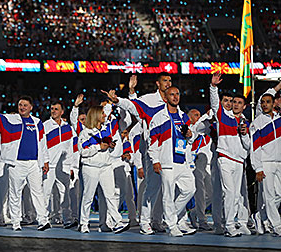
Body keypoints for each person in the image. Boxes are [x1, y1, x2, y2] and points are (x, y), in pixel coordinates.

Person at [104, 73, 171, 235]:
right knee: (152, 187)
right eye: (165, 81)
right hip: (151, 148)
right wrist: (123, 96)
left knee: (165, 189)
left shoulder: (172, 102)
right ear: (157, 83)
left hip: (168, 150)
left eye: (170, 81)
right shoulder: (149, 99)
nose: (168, 83)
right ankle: (145, 221)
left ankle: (157, 220)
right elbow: (133, 107)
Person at [0, 89, 51, 231]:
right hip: (16, 163)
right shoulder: (11, 119)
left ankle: (43, 220)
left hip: (33, 163)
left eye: (25, 105)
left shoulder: (37, 122)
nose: (22, 107)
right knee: (15, 193)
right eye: (20, 105)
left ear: (31, 107)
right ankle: (16, 222)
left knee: (38, 192)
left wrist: (45, 161)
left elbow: (42, 143)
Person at [148, 86, 197, 237]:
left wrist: (190, 135)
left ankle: (170, 217)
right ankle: (172, 225)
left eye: (177, 94)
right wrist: (155, 159)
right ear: (166, 98)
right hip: (166, 161)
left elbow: (190, 138)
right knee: (168, 194)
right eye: (172, 94)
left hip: (182, 160)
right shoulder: (159, 117)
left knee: (190, 189)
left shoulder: (184, 117)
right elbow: (153, 140)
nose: (175, 97)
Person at [210, 73, 251, 237]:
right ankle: (229, 225)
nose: (235, 104)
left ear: (244, 106)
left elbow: (248, 146)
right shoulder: (222, 115)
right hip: (225, 159)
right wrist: (213, 87)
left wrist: (244, 134)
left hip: (239, 161)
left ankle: (232, 223)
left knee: (235, 195)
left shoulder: (245, 123)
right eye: (234, 102)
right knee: (229, 193)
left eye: (239, 103)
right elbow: (214, 102)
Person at [78, 105, 130, 234]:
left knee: (110, 196)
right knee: (88, 197)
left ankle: (117, 222)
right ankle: (84, 223)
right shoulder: (85, 133)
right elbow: (83, 151)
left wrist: (110, 146)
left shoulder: (107, 130)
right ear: (96, 116)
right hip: (91, 168)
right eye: (102, 114)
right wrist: (98, 147)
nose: (104, 116)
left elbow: (108, 148)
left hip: (106, 166)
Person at [250, 93, 281, 236]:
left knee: (279, 194)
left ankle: (260, 215)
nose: (264, 105)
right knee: (268, 196)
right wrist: (258, 168)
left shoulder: (280, 119)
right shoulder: (258, 122)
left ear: (273, 103)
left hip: (279, 162)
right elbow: (254, 147)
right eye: (262, 102)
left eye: (267, 102)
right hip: (266, 162)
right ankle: (277, 225)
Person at [43, 101, 75, 227]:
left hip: (63, 167)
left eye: (56, 109)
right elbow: (42, 146)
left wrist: (71, 166)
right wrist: (44, 161)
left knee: (64, 193)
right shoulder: (45, 126)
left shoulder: (68, 127)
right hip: (49, 165)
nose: (53, 111)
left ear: (62, 112)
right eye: (52, 109)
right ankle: (43, 219)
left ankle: (67, 219)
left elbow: (70, 149)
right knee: (46, 193)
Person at [188, 109, 214, 231]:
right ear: (190, 117)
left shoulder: (205, 131)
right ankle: (202, 220)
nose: (199, 117)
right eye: (196, 115)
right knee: (200, 194)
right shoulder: (191, 130)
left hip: (207, 166)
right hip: (195, 164)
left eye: (199, 114)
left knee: (212, 194)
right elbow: (197, 128)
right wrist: (205, 115)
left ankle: (194, 213)